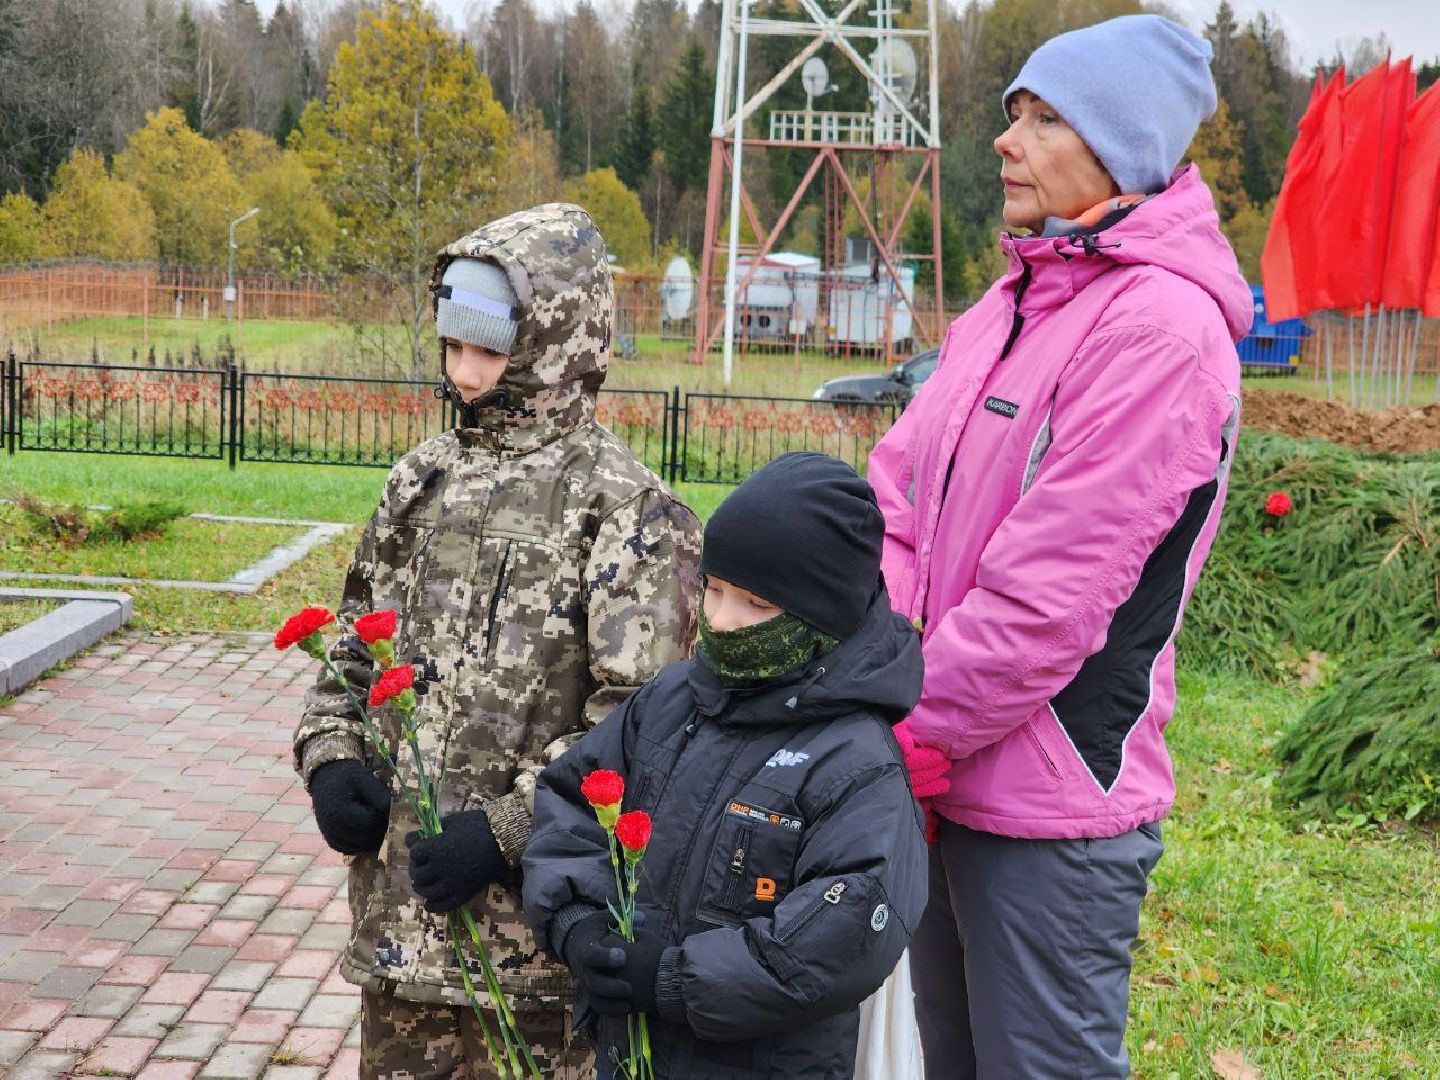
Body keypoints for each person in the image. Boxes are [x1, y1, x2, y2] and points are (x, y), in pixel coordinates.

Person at [868, 15, 1253, 1078]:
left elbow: (1047, 604)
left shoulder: (1160, 335)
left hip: (1048, 804)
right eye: (1013, 115)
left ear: (1121, 150)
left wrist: (896, 719)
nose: (1006, 139)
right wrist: (889, 679)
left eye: (1043, 119)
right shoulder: (1012, 301)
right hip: (934, 765)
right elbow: (895, 497)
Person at [293, 203, 703, 1079]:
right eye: (453, 347)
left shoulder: (624, 507)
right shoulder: (420, 478)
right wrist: (333, 757)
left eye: (489, 350)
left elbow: (642, 721)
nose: (466, 372)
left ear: (553, 344)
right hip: (402, 935)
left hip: (535, 954)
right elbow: (352, 647)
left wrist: (507, 829)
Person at [521, 452, 930, 1079]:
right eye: (712, 589)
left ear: (822, 618)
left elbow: (840, 938)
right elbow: (573, 801)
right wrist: (576, 923)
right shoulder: (669, 699)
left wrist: (671, 979)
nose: (719, 620)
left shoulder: (856, 759)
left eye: (754, 604)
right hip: (632, 1054)